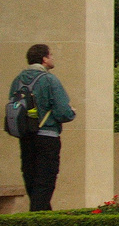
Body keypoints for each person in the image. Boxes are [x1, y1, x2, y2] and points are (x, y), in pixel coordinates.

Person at [9, 44, 75, 211]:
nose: (52, 58)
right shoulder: (49, 80)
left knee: (31, 179)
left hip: (25, 136)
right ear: (44, 59)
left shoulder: (18, 80)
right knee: (45, 181)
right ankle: (37, 219)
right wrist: (71, 113)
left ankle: (42, 218)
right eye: (51, 55)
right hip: (47, 137)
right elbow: (63, 112)